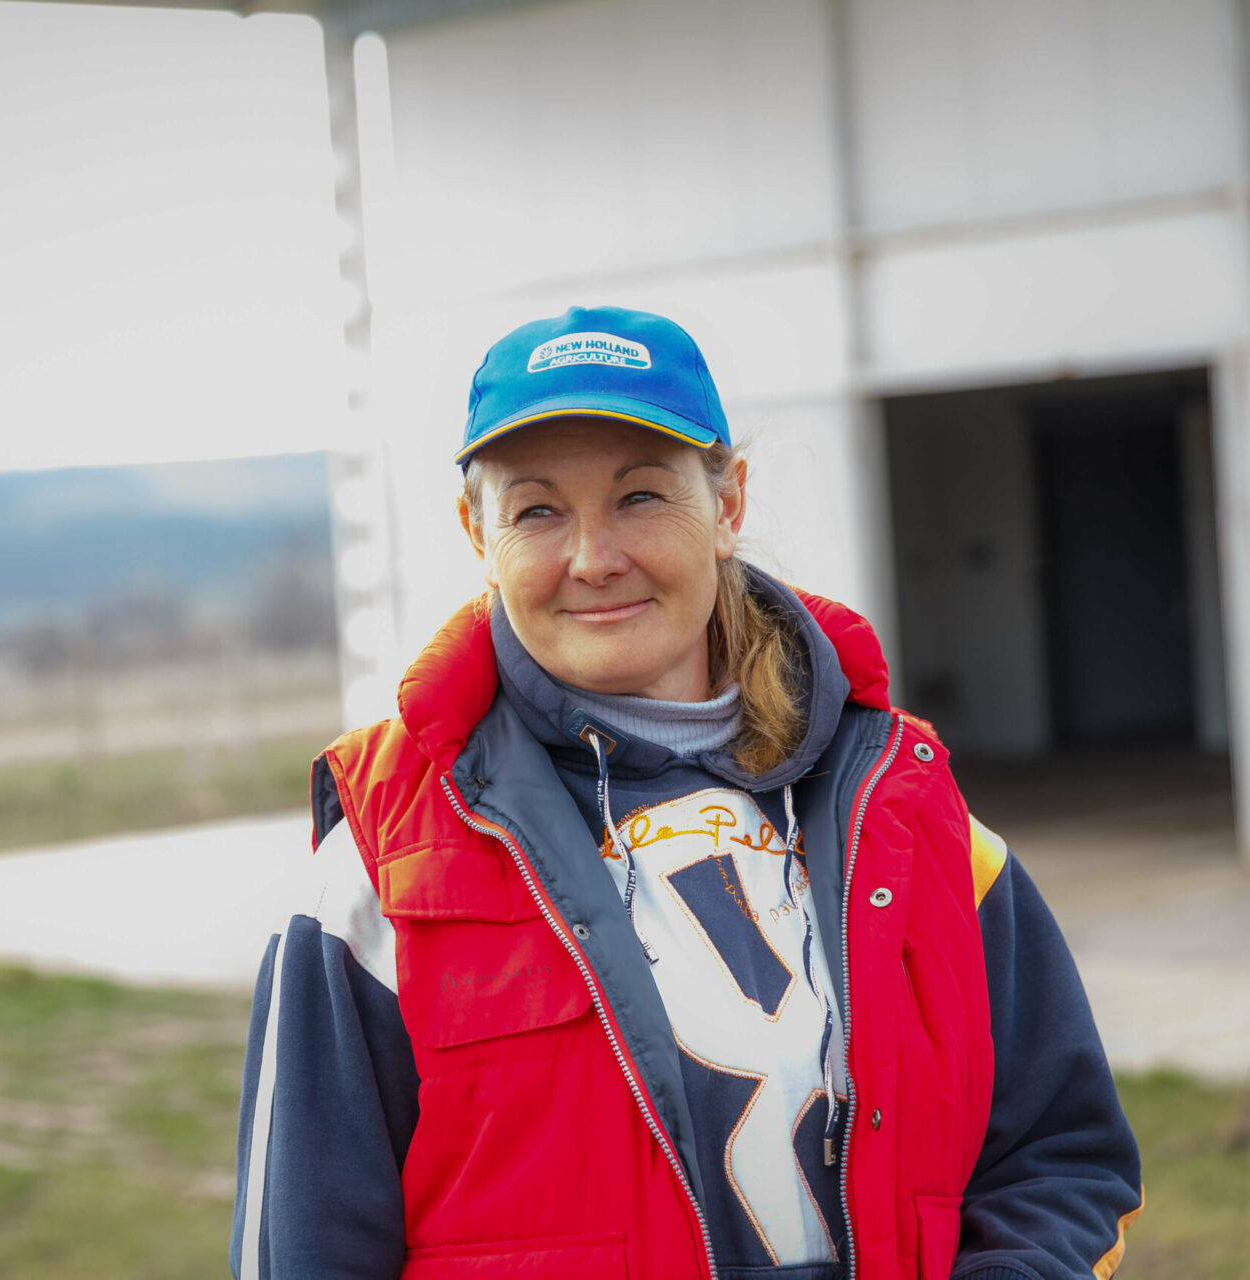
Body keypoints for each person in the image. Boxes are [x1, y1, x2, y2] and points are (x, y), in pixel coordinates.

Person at [230, 306, 1142, 1280]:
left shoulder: (906, 809)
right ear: (476, 533)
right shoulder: (381, 860)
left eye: (640, 496)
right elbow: (304, 1247)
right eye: (537, 511)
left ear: (728, 504)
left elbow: (1059, 1154)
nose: (594, 557)